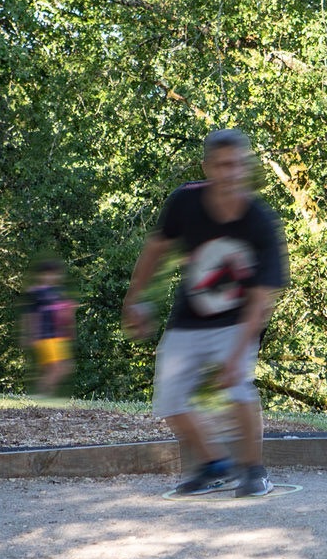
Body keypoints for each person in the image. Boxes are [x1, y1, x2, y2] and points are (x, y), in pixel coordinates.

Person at [122, 129, 286, 497]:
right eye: (223, 165)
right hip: (190, 315)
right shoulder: (184, 202)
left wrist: (235, 356)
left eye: (238, 165)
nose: (231, 173)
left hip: (239, 320)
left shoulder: (261, 221)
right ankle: (216, 466)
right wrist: (134, 299)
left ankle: (254, 471)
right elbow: (154, 251)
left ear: (247, 167)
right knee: (169, 398)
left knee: (240, 385)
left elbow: (263, 298)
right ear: (207, 167)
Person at [23, 258, 77, 396]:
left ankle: (45, 398)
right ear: (41, 275)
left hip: (58, 337)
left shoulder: (57, 293)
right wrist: (31, 335)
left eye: (55, 274)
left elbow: (65, 315)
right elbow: (31, 315)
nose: (52, 277)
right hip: (44, 336)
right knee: (56, 369)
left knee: (61, 368)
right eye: (48, 274)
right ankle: (40, 396)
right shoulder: (36, 293)